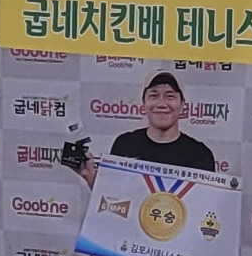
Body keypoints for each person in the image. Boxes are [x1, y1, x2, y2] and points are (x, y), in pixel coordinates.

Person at [59, 71, 224, 181]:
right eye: (154, 96)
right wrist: (90, 178)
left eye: (170, 96)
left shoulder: (200, 155)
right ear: (143, 104)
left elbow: (204, 209)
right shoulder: (125, 145)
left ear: (182, 105)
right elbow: (112, 202)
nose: (161, 104)